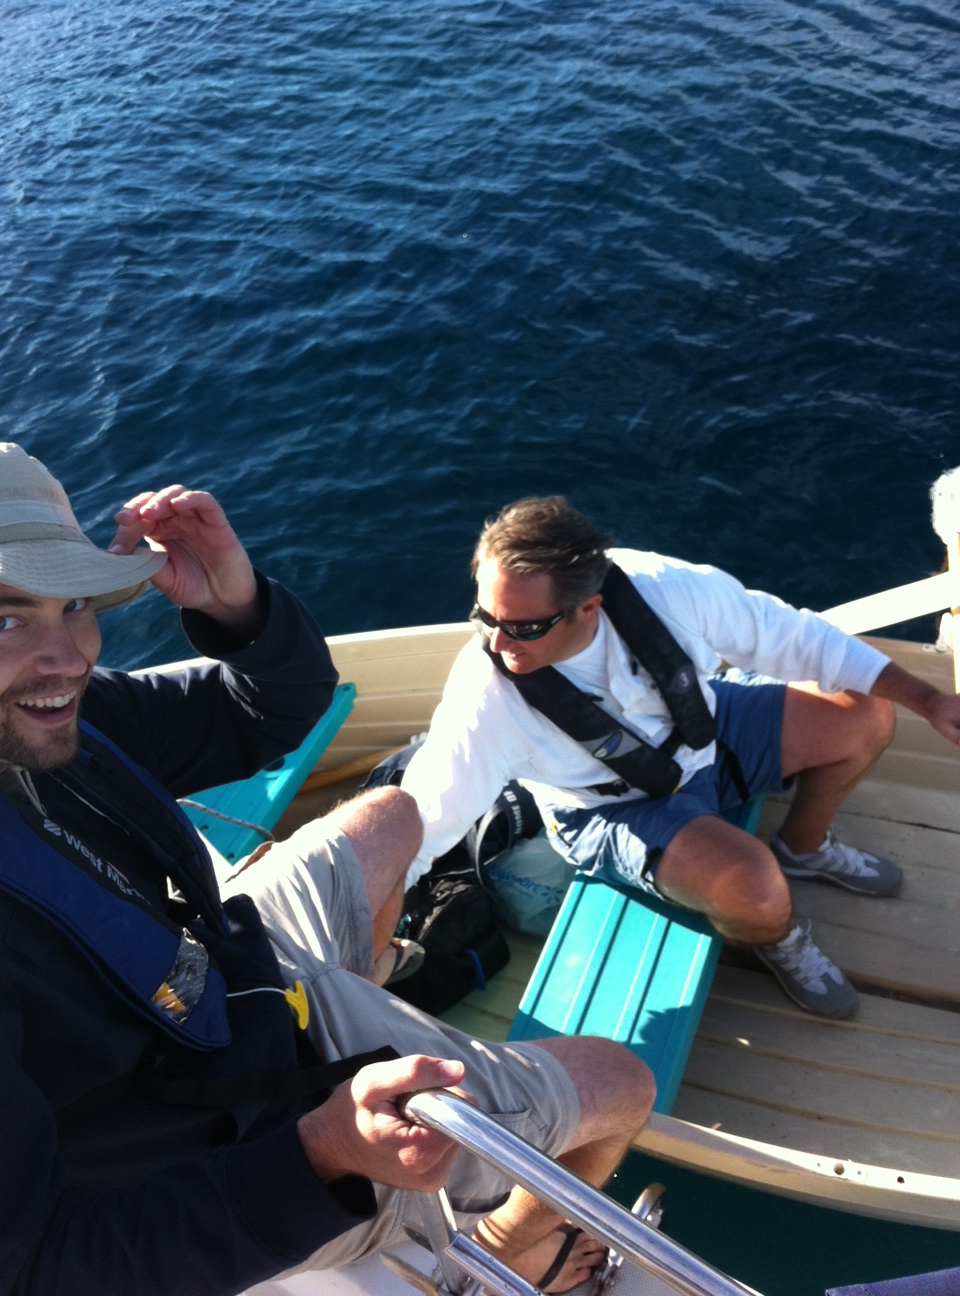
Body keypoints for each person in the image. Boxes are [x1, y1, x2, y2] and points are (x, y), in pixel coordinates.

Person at [0, 445, 654, 1296]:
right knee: (620, 1082)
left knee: (394, 814)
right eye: (8, 618)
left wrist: (234, 602)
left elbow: (269, 708)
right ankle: (507, 1256)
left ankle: (358, 1000)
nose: (68, 658)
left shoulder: (58, 717)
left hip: (231, 984)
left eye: (74, 604)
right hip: (229, 1134)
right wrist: (324, 1151)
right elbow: (45, 1269)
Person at [402, 496, 960, 1020]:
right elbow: (422, 823)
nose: (498, 643)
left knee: (866, 712)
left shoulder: (662, 587)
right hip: (613, 808)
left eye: (523, 627)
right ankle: (776, 939)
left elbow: (798, 638)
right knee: (756, 889)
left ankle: (804, 846)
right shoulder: (484, 698)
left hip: (706, 736)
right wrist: (369, 932)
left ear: (589, 607)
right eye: (485, 617)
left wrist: (931, 702)